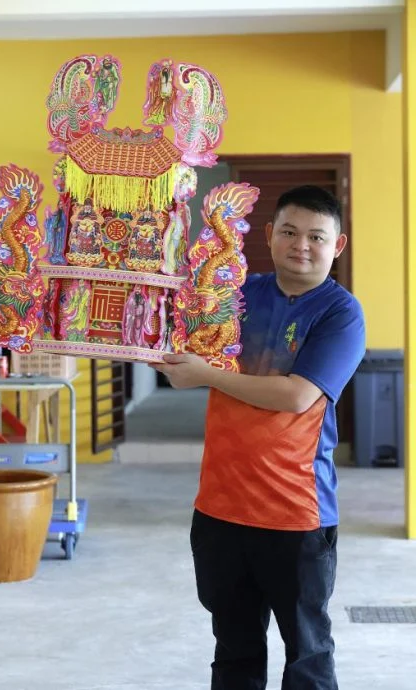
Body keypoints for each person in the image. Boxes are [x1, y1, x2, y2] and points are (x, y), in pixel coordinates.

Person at [152, 185, 366, 690]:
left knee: (307, 656)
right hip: (220, 507)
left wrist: (205, 375)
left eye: (316, 236)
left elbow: (297, 396)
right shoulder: (235, 296)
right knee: (234, 652)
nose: (301, 245)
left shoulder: (340, 313)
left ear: (337, 245)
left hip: (295, 512)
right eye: (289, 232)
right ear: (269, 235)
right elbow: (178, 342)